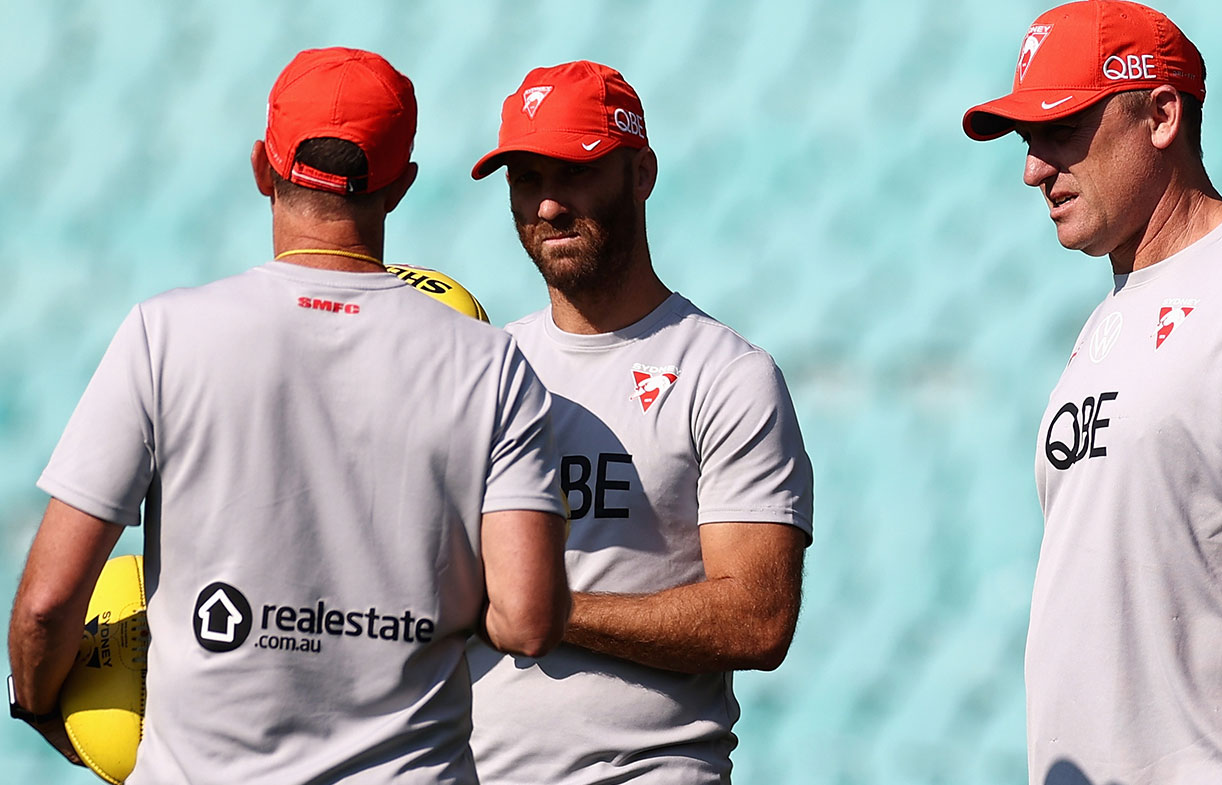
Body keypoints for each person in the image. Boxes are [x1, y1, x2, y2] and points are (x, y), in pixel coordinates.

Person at [8, 47, 570, 784]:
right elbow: (527, 621)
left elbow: (49, 604)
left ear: (260, 167)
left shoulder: (165, 334)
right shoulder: (492, 367)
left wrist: (41, 700)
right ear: (401, 186)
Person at [963, 2, 1222, 784]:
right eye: (1028, 141)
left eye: (1060, 130)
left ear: (1161, 114)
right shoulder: (1103, 323)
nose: (1032, 169)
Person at [465, 60, 815, 784]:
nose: (549, 206)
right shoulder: (485, 366)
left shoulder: (726, 373)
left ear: (642, 173)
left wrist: (546, 610)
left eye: (575, 172)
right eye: (527, 179)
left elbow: (758, 617)